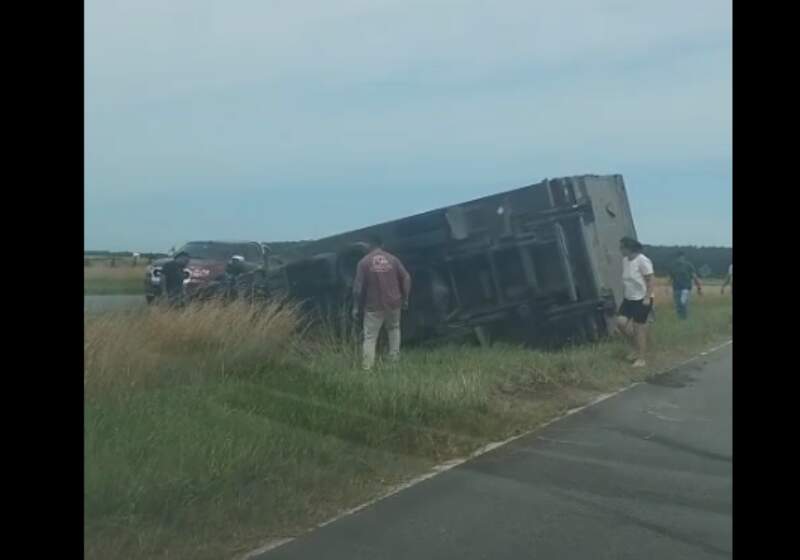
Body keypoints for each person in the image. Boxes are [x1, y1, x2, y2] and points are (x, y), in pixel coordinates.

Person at [352, 235, 412, 371]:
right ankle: (394, 362)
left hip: (374, 306)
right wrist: (405, 298)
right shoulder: (393, 259)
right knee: (394, 329)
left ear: (369, 245)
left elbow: (357, 287)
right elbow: (406, 277)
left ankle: (367, 367)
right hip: (394, 303)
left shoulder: (363, 262)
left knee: (370, 337)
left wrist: (356, 307)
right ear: (382, 245)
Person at [615, 237, 655, 368]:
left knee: (639, 329)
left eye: (622, 247)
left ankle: (641, 358)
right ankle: (636, 348)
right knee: (620, 323)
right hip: (629, 298)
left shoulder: (642, 260)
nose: (620, 250)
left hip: (642, 299)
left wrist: (648, 298)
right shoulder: (625, 260)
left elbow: (650, 280)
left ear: (629, 248)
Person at [668, 251, 703, 319]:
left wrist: (699, 288)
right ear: (676, 258)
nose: (680, 259)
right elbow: (670, 278)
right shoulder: (673, 266)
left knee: (683, 304)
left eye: (681, 257)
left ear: (684, 257)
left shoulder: (688, 265)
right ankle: (680, 319)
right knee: (678, 305)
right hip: (676, 288)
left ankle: (685, 318)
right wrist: (667, 287)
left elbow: (694, 277)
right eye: (678, 257)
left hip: (686, 288)